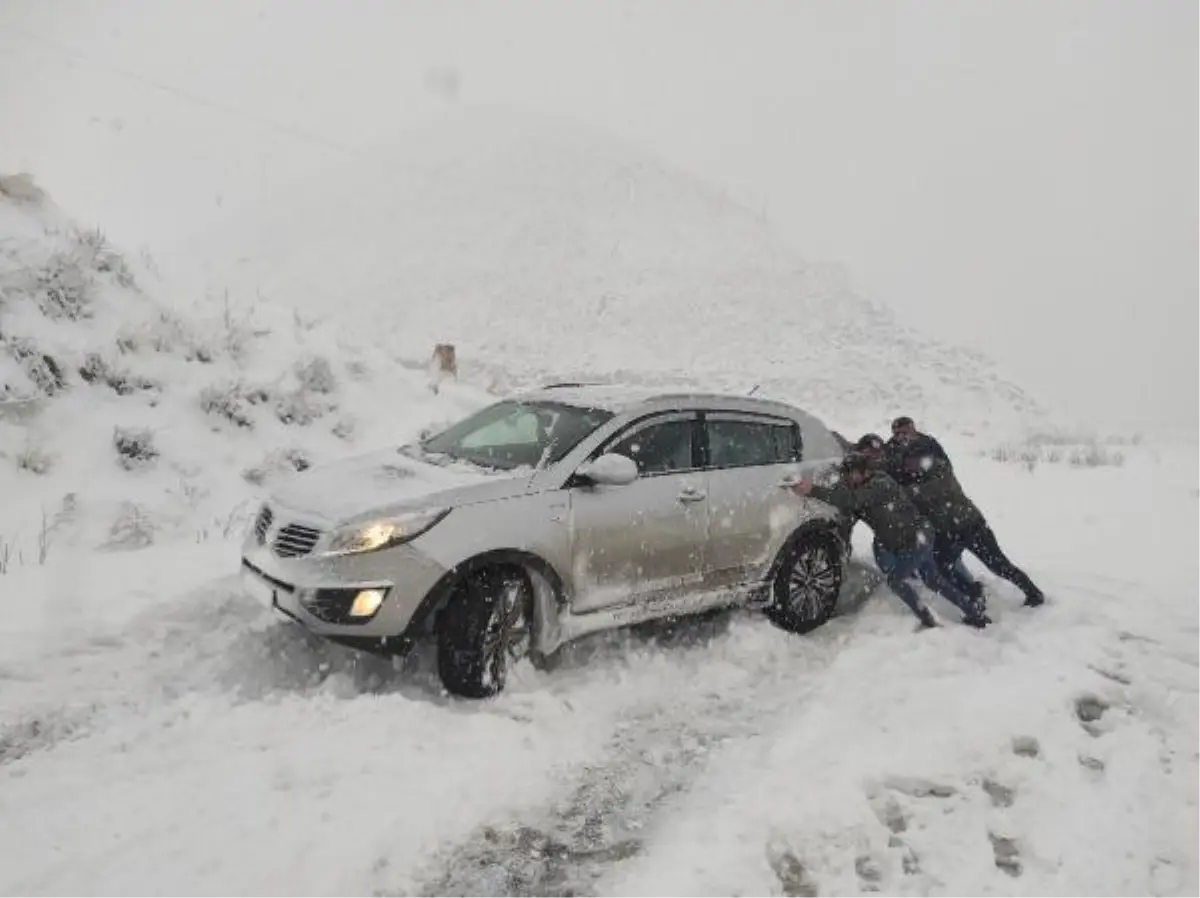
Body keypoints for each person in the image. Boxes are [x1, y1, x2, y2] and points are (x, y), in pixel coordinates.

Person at [793, 454, 990, 629]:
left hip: (917, 538)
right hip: (908, 539)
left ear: (865, 471)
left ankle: (927, 618)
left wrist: (812, 490)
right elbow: (849, 511)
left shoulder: (880, 483)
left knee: (896, 580)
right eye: (845, 474)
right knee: (933, 580)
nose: (846, 478)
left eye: (850, 473)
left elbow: (852, 501)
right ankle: (974, 613)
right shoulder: (859, 487)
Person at [888, 422, 1046, 608]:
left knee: (998, 565)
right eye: (906, 462)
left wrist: (902, 491)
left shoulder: (940, 469)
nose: (908, 465)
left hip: (971, 526)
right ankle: (973, 592)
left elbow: (929, 492)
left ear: (923, 459)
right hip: (946, 532)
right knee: (941, 568)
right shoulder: (911, 473)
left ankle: (1033, 593)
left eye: (912, 461)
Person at [854, 432, 984, 602]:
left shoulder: (895, 465)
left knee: (942, 559)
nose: (873, 457)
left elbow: (926, 477)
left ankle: (970, 589)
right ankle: (961, 589)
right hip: (896, 525)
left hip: (923, 519)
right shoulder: (868, 471)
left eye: (876, 453)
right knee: (892, 556)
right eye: (868, 454)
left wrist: (909, 495)